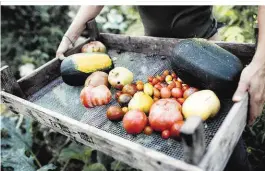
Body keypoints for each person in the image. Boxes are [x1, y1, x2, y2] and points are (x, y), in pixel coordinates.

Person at [56, 6, 265, 171]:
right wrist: (70, 35)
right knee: (166, 154)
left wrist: (261, 63)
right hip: (156, 53)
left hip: (206, 59)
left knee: (225, 148)